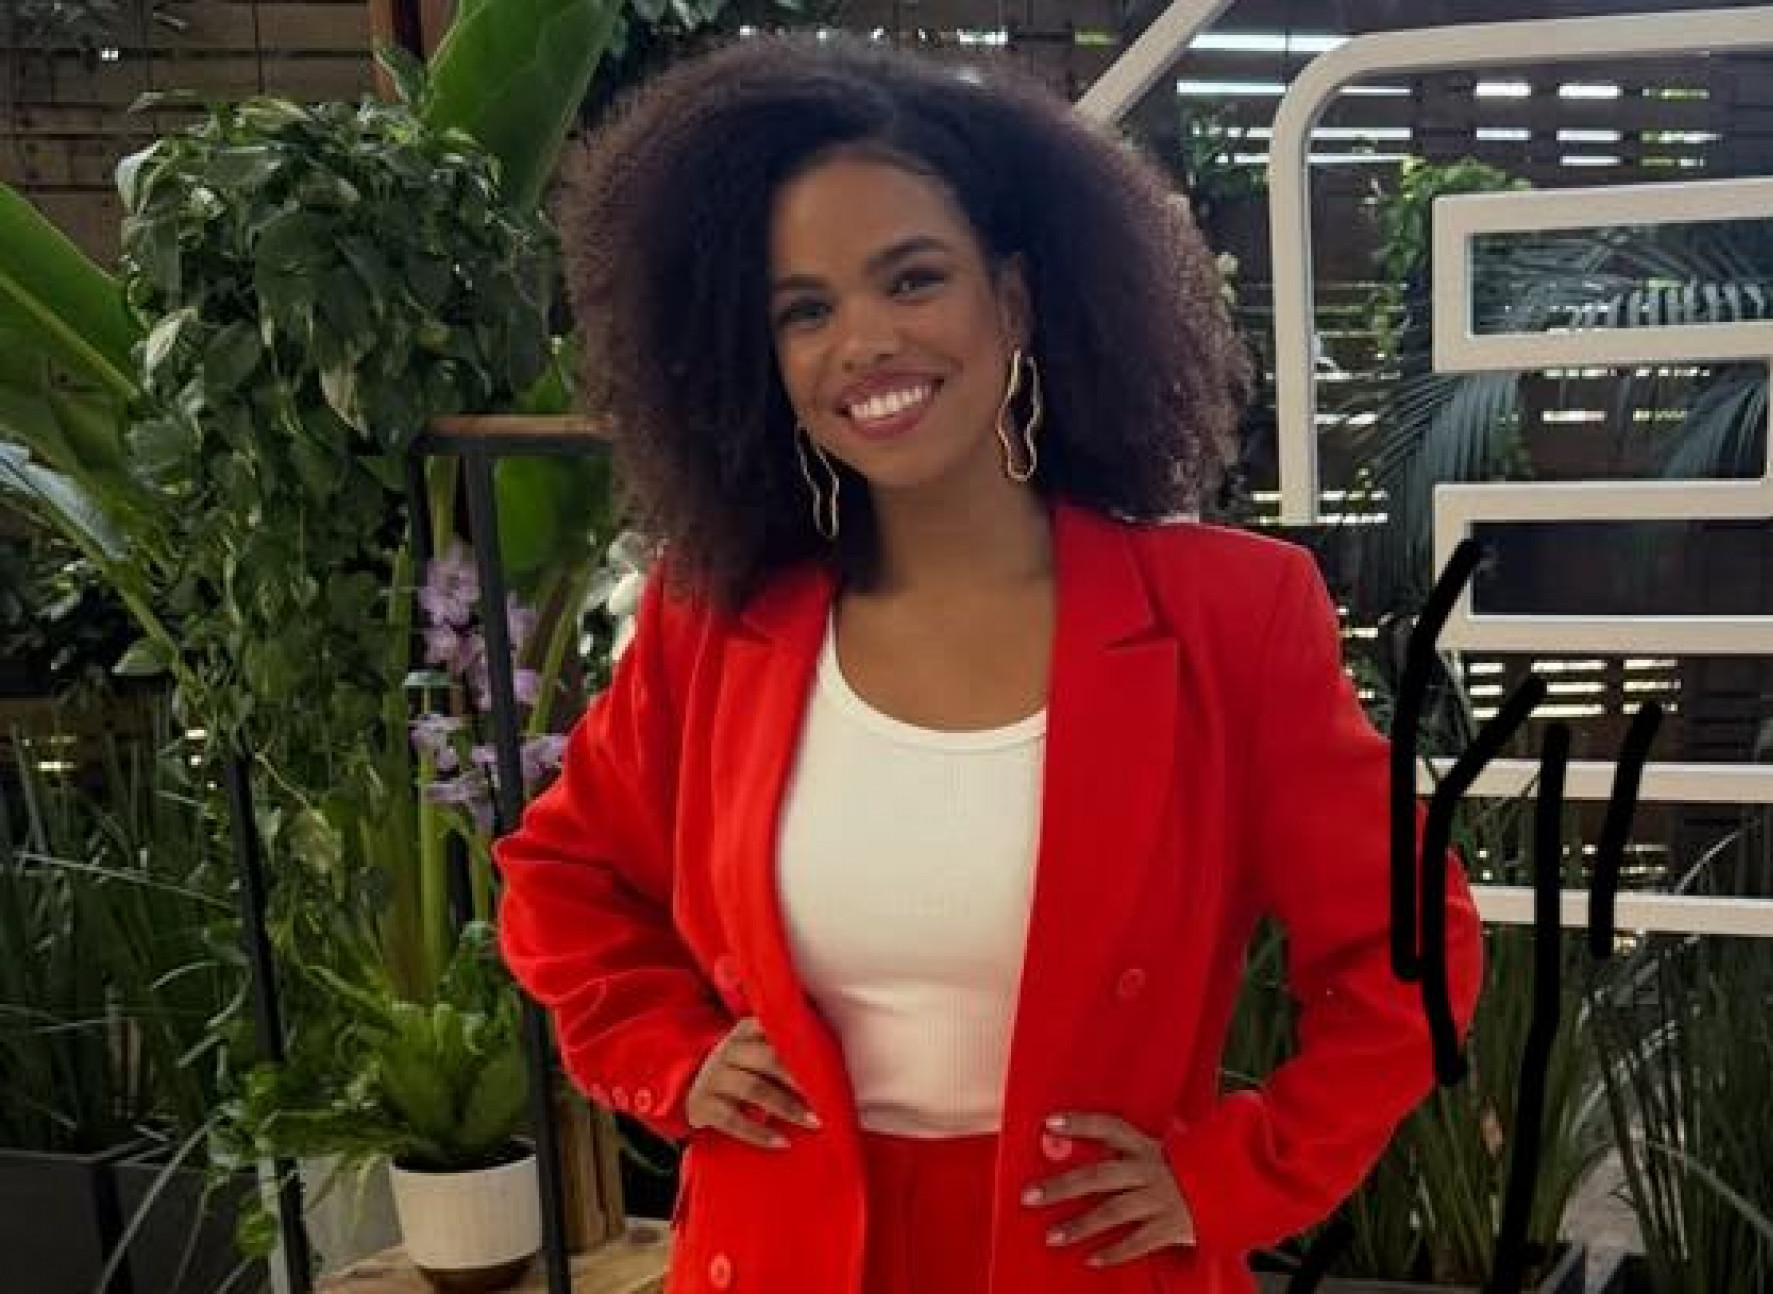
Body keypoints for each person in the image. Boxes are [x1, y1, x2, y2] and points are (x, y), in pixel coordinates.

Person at [494, 33, 1483, 1294]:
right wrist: (666, 1055)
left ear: (1011, 300)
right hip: (782, 1253)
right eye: (806, 309)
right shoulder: (716, 627)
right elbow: (560, 877)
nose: (863, 340)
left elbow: (1410, 946)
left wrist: (1232, 1174)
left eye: (912, 279)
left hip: (1091, 1261)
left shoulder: (1227, 618)